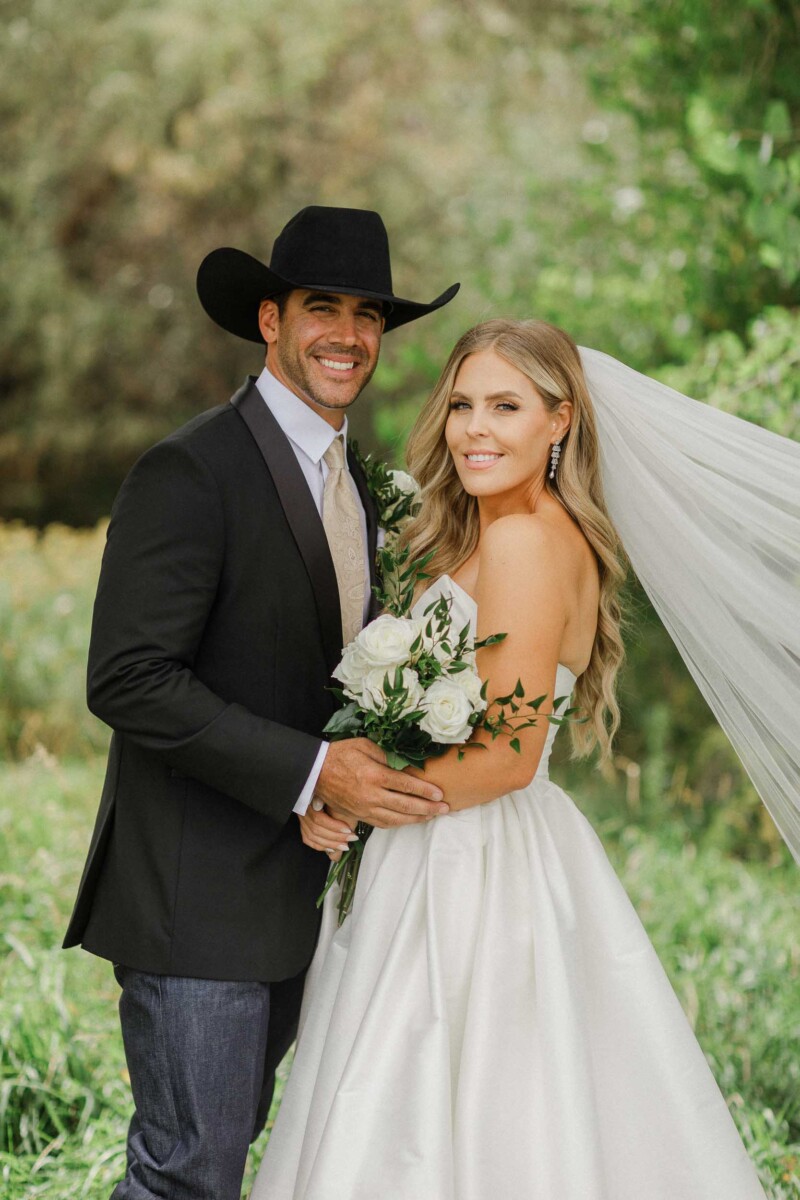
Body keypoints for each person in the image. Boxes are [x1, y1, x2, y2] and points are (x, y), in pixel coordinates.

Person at [252, 317, 799, 1198]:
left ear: (561, 421)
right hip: (461, 840)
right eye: (463, 403)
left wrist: (354, 796)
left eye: (506, 406)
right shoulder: (508, 533)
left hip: (469, 860)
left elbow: (506, 758)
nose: (474, 428)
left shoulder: (526, 539)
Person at [62, 205, 460, 1200]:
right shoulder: (190, 470)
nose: (349, 334)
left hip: (296, 896)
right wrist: (312, 771)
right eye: (321, 306)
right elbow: (128, 677)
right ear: (270, 320)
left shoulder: (360, 489)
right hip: (194, 904)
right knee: (186, 1174)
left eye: (368, 314)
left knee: (238, 1162)